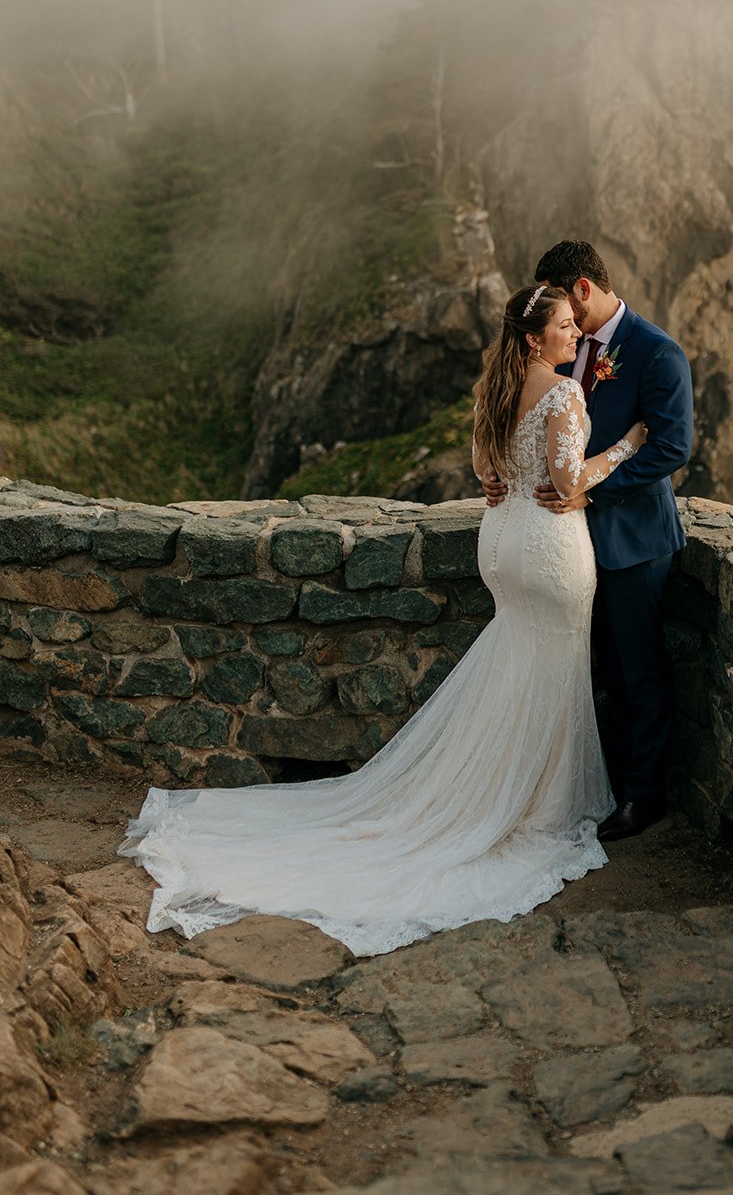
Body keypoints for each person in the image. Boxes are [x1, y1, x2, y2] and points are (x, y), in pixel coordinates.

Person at [119, 284, 645, 958]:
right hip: (548, 549)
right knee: (549, 667)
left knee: (518, 663)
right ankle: (534, 808)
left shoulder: (494, 388)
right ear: (533, 337)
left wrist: (500, 480)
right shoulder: (562, 394)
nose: (576, 336)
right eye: (567, 327)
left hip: (501, 542)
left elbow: (485, 467)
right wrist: (628, 444)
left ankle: (505, 796)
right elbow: (570, 481)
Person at [481, 241, 693, 841]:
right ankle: (589, 788)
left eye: (564, 307)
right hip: (561, 544)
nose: (567, 328)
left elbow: (671, 446)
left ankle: (641, 797)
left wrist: (591, 491)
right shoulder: (560, 349)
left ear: (578, 288)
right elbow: (535, 425)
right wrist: (500, 471)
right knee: (592, 670)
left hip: (632, 539)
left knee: (638, 669)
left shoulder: (657, 352)